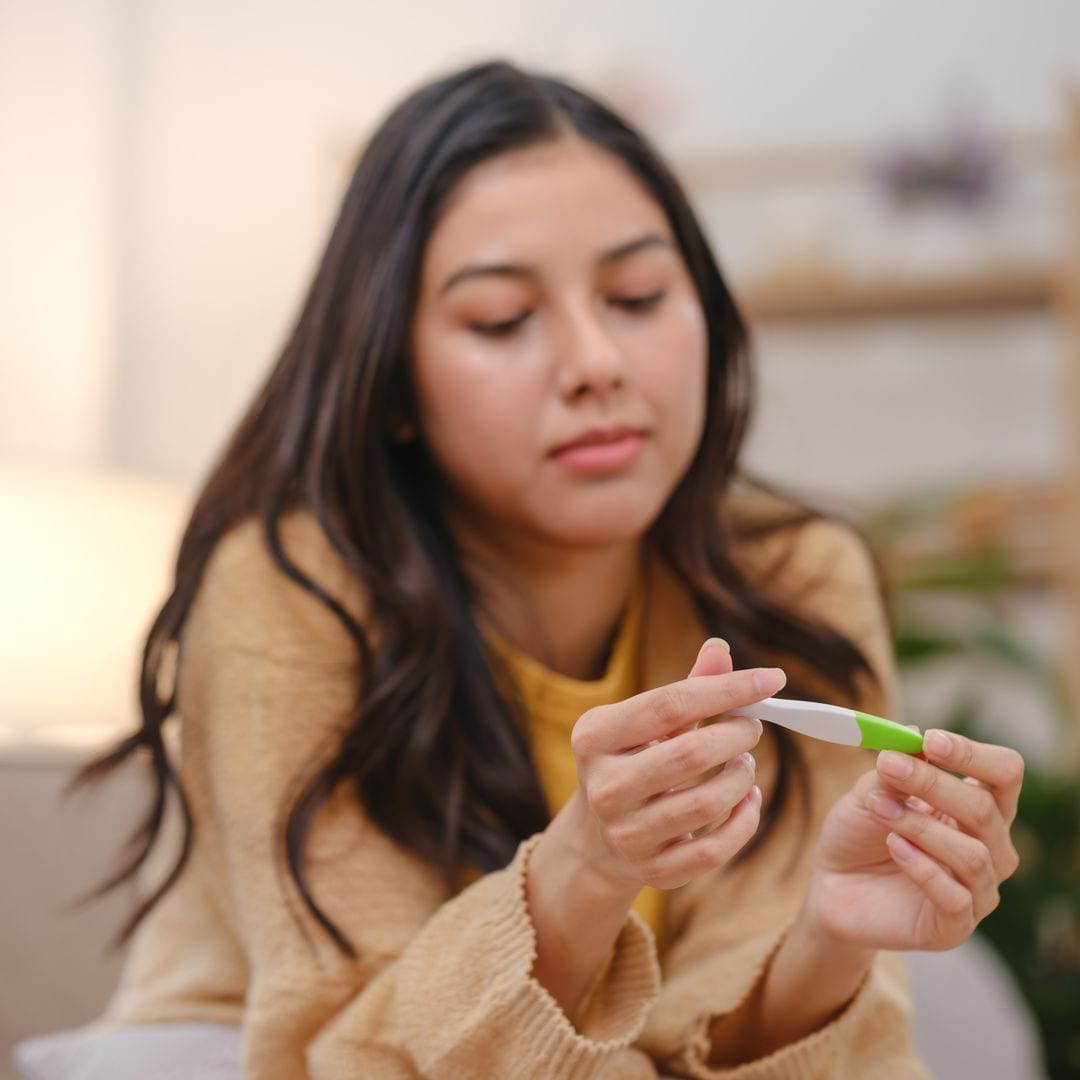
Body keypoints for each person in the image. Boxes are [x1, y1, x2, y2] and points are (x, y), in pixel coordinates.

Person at [79, 60, 1023, 1078]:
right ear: (391, 382)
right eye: (500, 320)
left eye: (637, 295)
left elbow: (734, 1039)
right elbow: (347, 1048)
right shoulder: (286, 593)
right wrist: (587, 865)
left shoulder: (799, 582)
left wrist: (831, 944)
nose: (595, 362)